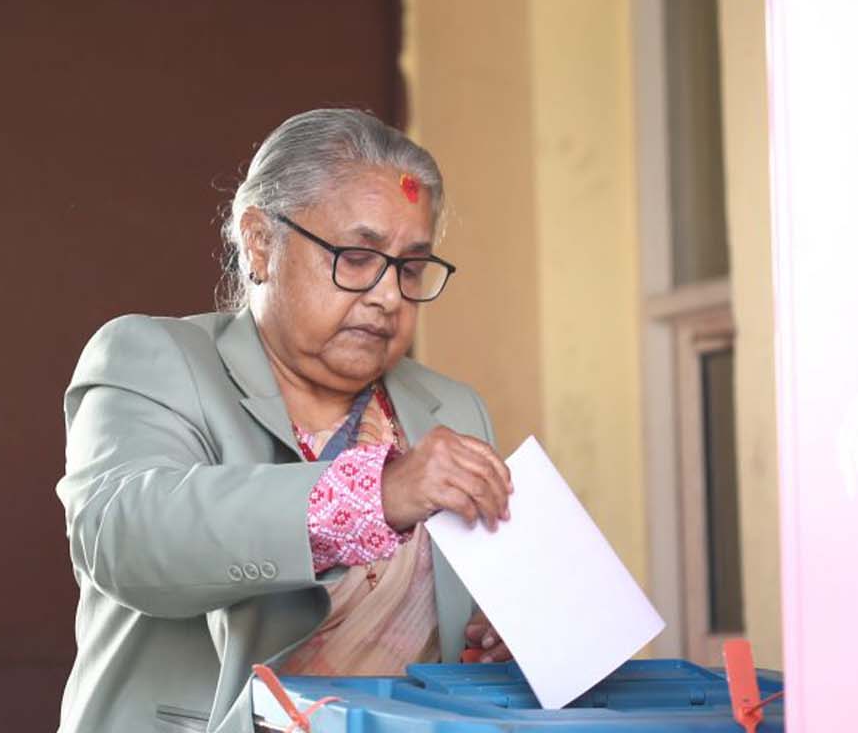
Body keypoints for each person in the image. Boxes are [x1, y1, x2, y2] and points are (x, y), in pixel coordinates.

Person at [55, 108, 514, 733]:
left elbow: (469, 617)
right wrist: (374, 494)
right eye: (357, 256)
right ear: (260, 243)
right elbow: (124, 539)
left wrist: (500, 640)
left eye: (409, 268)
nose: (388, 296)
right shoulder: (156, 361)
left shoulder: (451, 409)